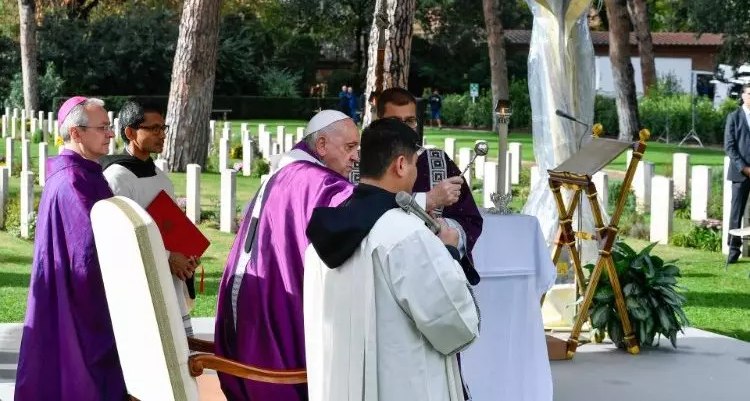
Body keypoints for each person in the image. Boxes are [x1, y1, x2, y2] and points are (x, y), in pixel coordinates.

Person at [304, 118, 480, 401]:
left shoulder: (323, 235)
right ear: (400, 165)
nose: (414, 173)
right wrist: (447, 253)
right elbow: (453, 323)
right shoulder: (406, 236)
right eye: (413, 164)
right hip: (402, 386)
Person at [214, 110, 360, 401]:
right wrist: (418, 200)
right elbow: (359, 209)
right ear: (321, 145)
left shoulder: (291, 172)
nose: (356, 156)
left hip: (253, 297)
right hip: (272, 304)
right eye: (349, 147)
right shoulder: (311, 179)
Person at [15, 96, 128, 400]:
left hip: (78, 294)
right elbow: (89, 251)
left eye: (109, 126)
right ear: (76, 133)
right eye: (102, 127)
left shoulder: (85, 173)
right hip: (80, 300)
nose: (110, 134)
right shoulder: (72, 181)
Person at [99, 100, 199, 336]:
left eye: (163, 128)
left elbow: (172, 228)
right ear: (130, 132)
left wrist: (187, 257)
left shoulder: (161, 177)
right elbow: (121, 237)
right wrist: (168, 256)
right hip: (138, 284)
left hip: (168, 278)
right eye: (153, 128)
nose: (161, 134)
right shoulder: (116, 178)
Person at [375, 87, 482, 286]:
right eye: (395, 122)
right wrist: (428, 200)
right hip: (378, 276)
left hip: (435, 275)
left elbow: (469, 217)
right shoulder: (359, 165)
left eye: (410, 121)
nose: (404, 128)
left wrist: (450, 232)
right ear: (378, 121)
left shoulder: (437, 162)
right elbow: (363, 210)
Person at [724, 83, 750, 270]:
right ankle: (733, 249)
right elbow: (730, 147)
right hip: (741, 174)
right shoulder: (733, 117)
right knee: (736, 213)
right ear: (743, 95)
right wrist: (744, 168)